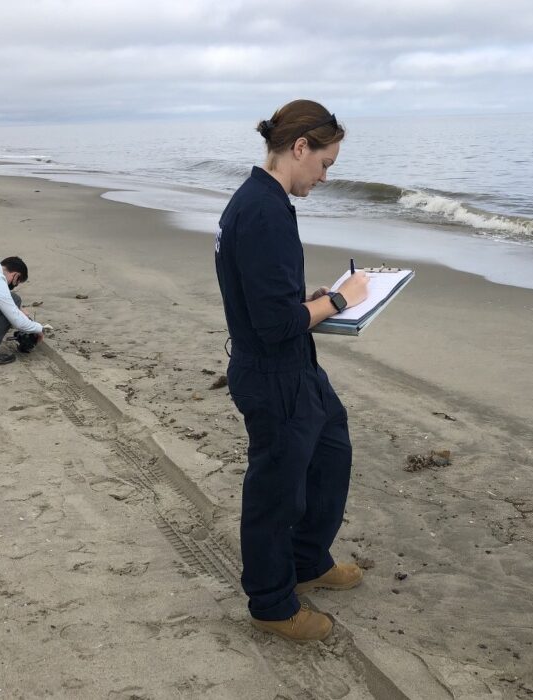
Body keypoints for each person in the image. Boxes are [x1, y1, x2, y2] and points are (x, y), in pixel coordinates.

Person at [214, 100, 370, 642]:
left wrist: (311, 300)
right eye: (325, 164)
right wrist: (342, 299)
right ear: (299, 148)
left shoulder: (266, 202)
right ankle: (272, 604)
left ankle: (308, 562)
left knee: (332, 449)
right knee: (276, 492)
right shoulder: (261, 210)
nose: (326, 176)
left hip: (294, 366)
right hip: (272, 372)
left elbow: (270, 301)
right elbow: (278, 324)